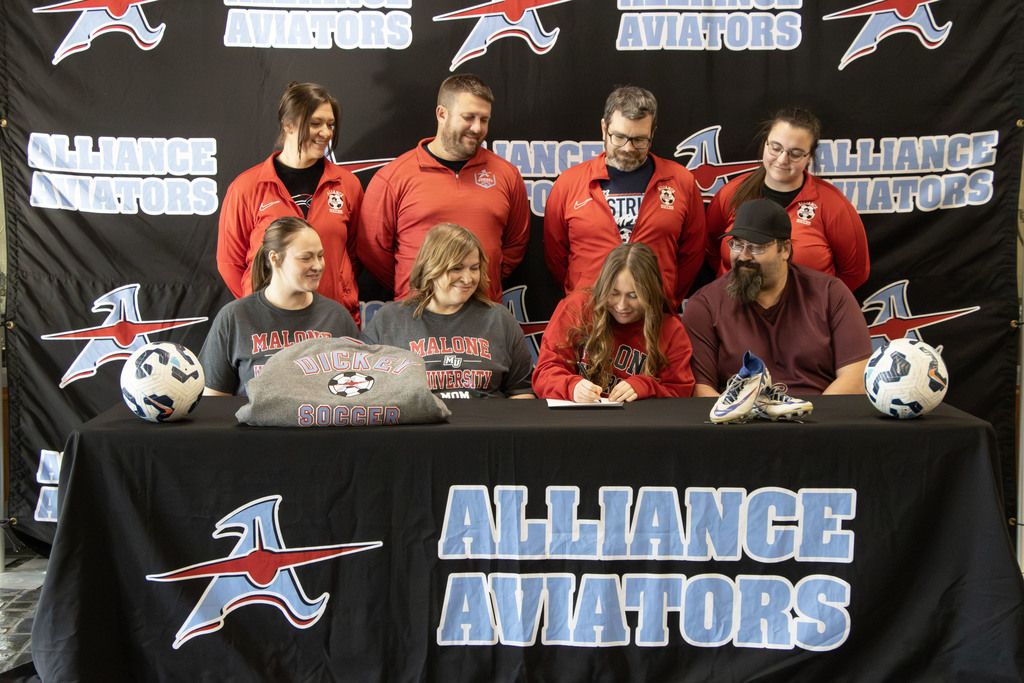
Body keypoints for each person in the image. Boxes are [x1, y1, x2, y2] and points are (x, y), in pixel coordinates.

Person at [357, 74, 530, 302]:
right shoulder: (394, 176)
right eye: (468, 117)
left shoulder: (506, 174)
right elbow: (373, 251)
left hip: (482, 314)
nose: (477, 128)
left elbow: (515, 244)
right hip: (416, 315)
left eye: (484, 119)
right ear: (442, 113)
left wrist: (484, 280)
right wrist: (416, 283)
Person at [683, 199, 871, 397]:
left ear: (785, 250)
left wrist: (809, 421)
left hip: (816, 419)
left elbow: (856, 375)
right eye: (737, 244)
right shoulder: (705, 305)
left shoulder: (830, 293)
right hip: (739, 422)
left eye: (756, 247)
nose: (743, 256)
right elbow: (700, 389)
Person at [543, 86, 706, 311]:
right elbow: (556, 256)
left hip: (653, 318)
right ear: (604, 128)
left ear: (653, 132)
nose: (628, 148)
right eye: (619, 137)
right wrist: (582, 294)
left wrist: (665, 299)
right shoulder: (569, 184)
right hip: (587, 317)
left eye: (639, 139)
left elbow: (692, 255)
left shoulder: (681, 182)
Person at [217, 82, 364, 323]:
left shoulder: (347, 185)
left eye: (330, 124)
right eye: (315, 123)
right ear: (288, 124)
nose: (326, 133)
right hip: (267, 322)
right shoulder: (247, 187)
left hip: (331, 319)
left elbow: (355, 255)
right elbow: (230, 263)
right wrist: (262, 300)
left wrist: (337, 287)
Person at [360, 223, 535, 400]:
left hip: (486, 424)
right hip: (417, 425)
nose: (468, 279)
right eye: (457, 268)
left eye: (474, 268)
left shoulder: (499, 318)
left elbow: (522, 391)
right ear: (431, 266)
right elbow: (362, 387)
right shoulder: (390, 319)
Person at [704, 107, 869, 292]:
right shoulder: (732, 193)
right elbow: (712, 251)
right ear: (765, 144)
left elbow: (855, 272)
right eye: (775, 148)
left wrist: (817, 305)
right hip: (736, 309)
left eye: (795, 154)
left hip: (805, 317)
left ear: (809, 156)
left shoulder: (832, 204)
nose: (782, 159)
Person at [201, 217, 359, 396]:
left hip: (320, 424)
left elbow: (356, 390)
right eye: (306, 258)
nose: (317, 265)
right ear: (274, 259)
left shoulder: (337, 316)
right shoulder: (234, 317)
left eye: (320, 256)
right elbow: (214, 402)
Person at [532, 242, 694, 402]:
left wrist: (645, 387)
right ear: (602, 288)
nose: (622, 305)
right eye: (614, 293)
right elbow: (544, 373)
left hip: (636, 424)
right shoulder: (577, 308)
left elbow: (680, 393)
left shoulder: (670, 329)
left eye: (633, 295)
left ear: (650, 294)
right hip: (579, 419)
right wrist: (571, 387)